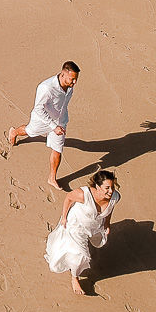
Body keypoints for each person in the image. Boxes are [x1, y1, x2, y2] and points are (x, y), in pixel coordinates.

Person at [45, 170, 120, 295]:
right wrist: (64, 217)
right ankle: (75, 278)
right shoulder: (83, 194)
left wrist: (107, 223)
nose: (111, 191)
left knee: (98, 241)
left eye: (112, 187)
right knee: (80, 255)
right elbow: (68, 198)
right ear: (97, 186)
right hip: (76, 225)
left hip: (94, 226)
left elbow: (110, 209)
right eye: (107, 188)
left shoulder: (115, 197)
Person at [7, 61, 79, 189]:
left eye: (76, 79)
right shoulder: (46, 88)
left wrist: (60, 123)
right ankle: (14, 132)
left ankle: (52, 178)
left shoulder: (70, 87)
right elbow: (38, 109)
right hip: (42, 120)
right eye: (72, 79)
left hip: (60, 121)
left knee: (57, 149)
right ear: (63, 74)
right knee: (29, 132)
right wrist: (53, 126)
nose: (74, 83)